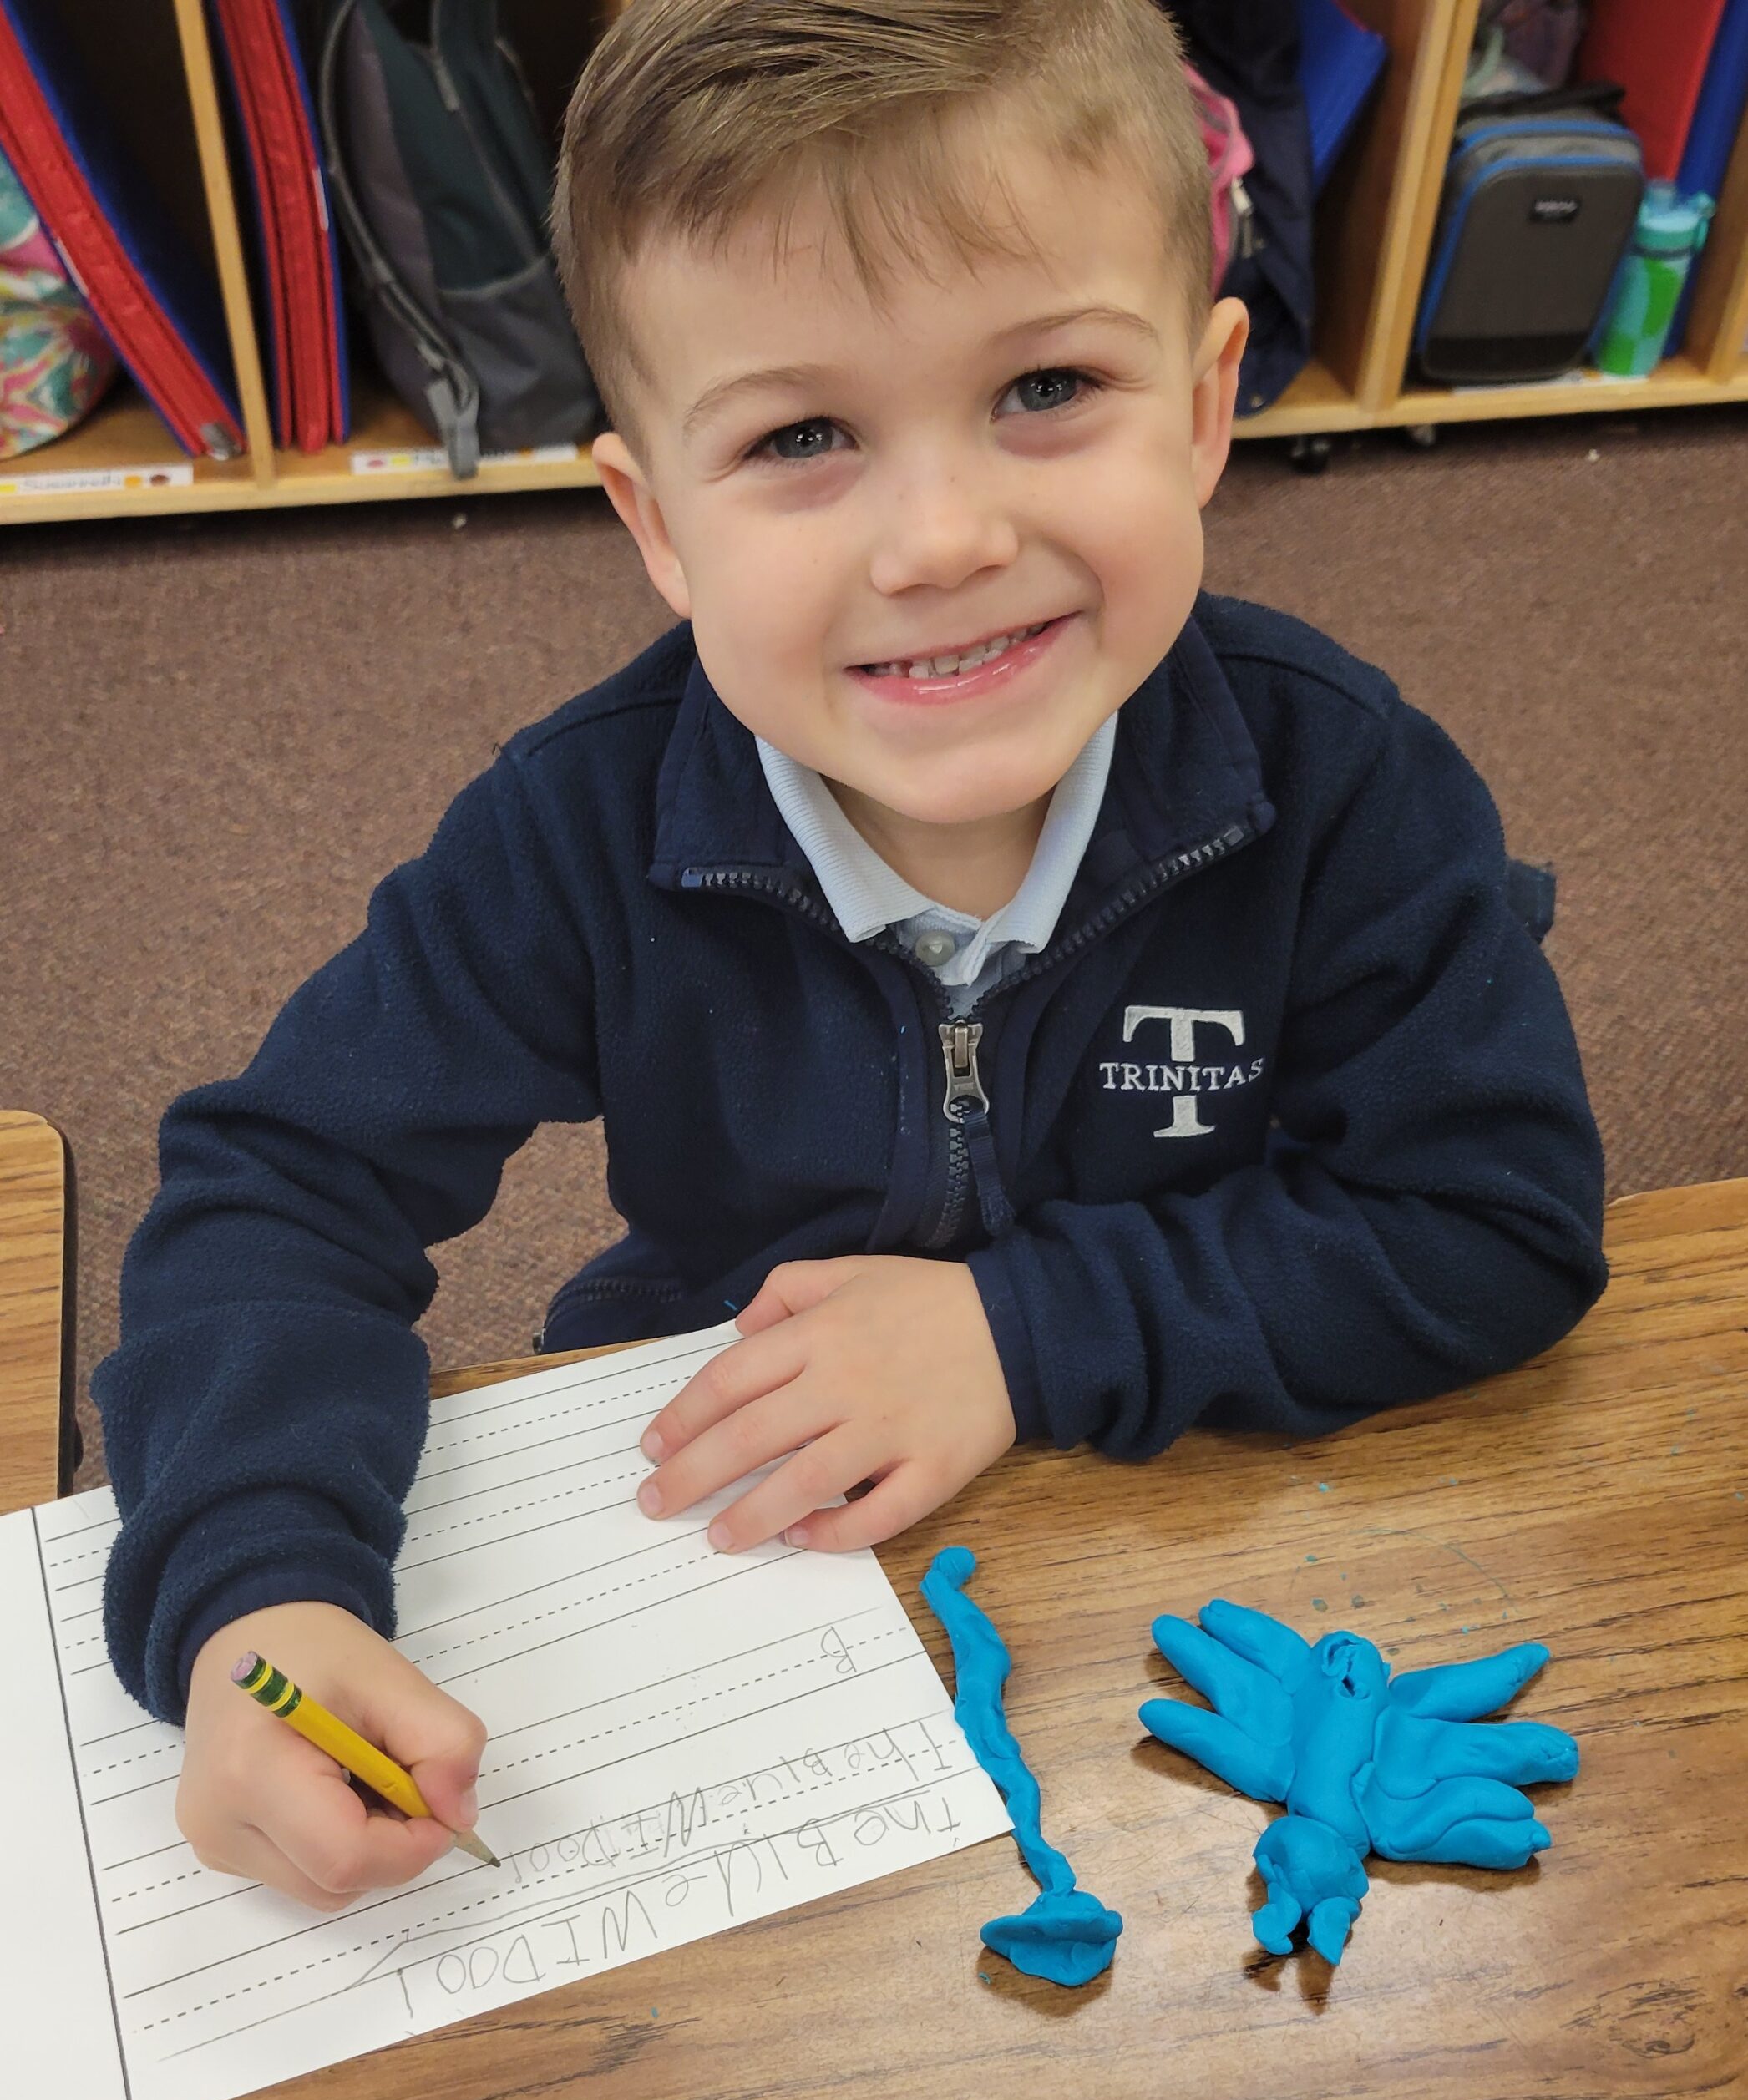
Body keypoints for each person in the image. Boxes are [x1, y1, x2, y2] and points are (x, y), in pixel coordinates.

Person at [95, 0, 1606, 1911]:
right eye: (804, 434)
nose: (944, 536)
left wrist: (1019, 1330)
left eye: (1048, 387)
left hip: (1182, 1544)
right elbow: (275, 1187)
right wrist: (257, 1599)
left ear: (1211, 405)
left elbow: (1499, 1215)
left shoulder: (1344, 780)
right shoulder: (582, 827)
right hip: (732, 1537)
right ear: (654, 522)